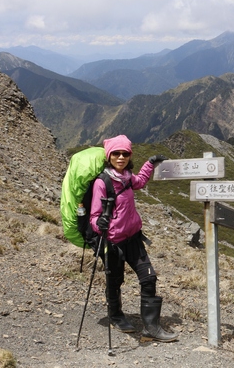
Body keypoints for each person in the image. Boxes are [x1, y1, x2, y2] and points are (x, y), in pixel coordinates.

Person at [89, 134, 178, 342]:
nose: (121, 157)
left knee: (149, 278)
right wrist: (99, 223)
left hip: (134, 239)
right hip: (113, 243)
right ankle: (116, 316)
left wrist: (150, 163)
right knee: (115, 280)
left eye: (125, 153)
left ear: (130, 156)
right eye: (116, 154)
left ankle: (151, 327)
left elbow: (141, 181)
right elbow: (94, 216)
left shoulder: (128, 178)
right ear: (109, 156)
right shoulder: (102, 183)